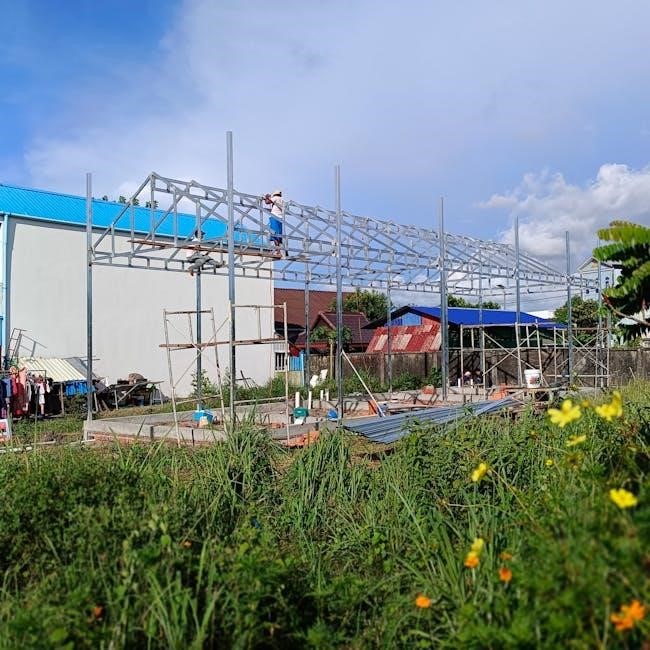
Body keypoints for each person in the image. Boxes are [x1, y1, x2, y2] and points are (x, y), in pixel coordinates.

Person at [264, 189, 285, 256]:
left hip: (274, 217)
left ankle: (277, 251)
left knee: (274, 233)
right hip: (280, 218)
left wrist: (266, 197)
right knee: (278, 234)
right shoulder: (282, 200)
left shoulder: (275, 198)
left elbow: (267, 202)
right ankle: (278, 250)